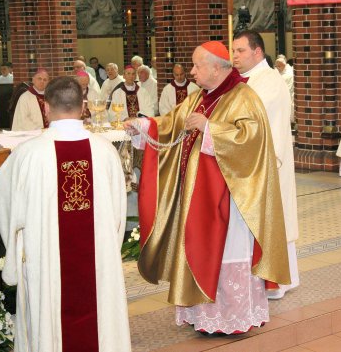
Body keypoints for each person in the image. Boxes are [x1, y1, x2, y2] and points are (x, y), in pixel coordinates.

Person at [126, 41, 290, 335]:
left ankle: (230, 318)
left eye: (196, 65)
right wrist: (143, 125)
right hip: (197, 197)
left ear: (216, 67)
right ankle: (203, 316)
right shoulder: (200, 96)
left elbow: (252, 140)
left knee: (225, 253)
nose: (191, 71)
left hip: (230, 198)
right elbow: (172, 124)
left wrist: (210, 128)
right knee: (198, 248)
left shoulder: (243, 96)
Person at [0, 76, 131, 352]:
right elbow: (118, 213)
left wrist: (16, 257)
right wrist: (107, 250)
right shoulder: (105, 152)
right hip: (97, 262)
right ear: (84, 107)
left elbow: (1, 197)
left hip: (46, 263)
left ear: (45, 107)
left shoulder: (28, 154)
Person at [232, 31, 299, 300]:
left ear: (257, 52)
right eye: (233, 51)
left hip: (268, 163)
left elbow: (249, 121)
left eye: (240, 51)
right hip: (253, 161)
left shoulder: (268, 82)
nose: (234, 56)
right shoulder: (248, 80)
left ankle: (276, 281)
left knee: (273, 221)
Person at [274, 54, 294, 122]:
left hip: (287, 97)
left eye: (278, 66)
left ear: (282, 65)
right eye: (275, 66)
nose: (276, 68)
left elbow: (287, 89)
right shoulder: (278, 71)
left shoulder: (289, 74)